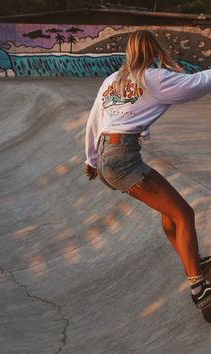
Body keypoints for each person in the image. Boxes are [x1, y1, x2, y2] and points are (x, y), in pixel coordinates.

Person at [84, 30, 211, 310]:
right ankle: (199, 287)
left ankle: (196, 264)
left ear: (130, 51)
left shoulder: (111, 81)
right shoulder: (152, 78)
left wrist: (92, 160)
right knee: (184, 214)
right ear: (153, 50)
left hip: (109, 157)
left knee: (170, 214)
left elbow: (95, 118)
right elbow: (198, 83)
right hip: (124, 157)